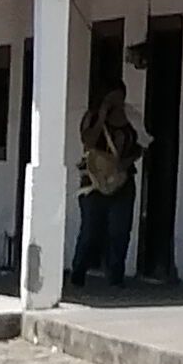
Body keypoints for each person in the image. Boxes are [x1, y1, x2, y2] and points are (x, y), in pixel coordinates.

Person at [73, 74, 141, 284]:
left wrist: (128, 160)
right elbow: (88, 141)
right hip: (94, 182)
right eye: (114, 99)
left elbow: (142, 144)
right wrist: (103, 114)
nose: (119, 103)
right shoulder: (92, 118)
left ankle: (115, 277)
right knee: (91, 230)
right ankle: (78, 273)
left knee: (120, 230)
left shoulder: (131, 117)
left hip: (122, 180)